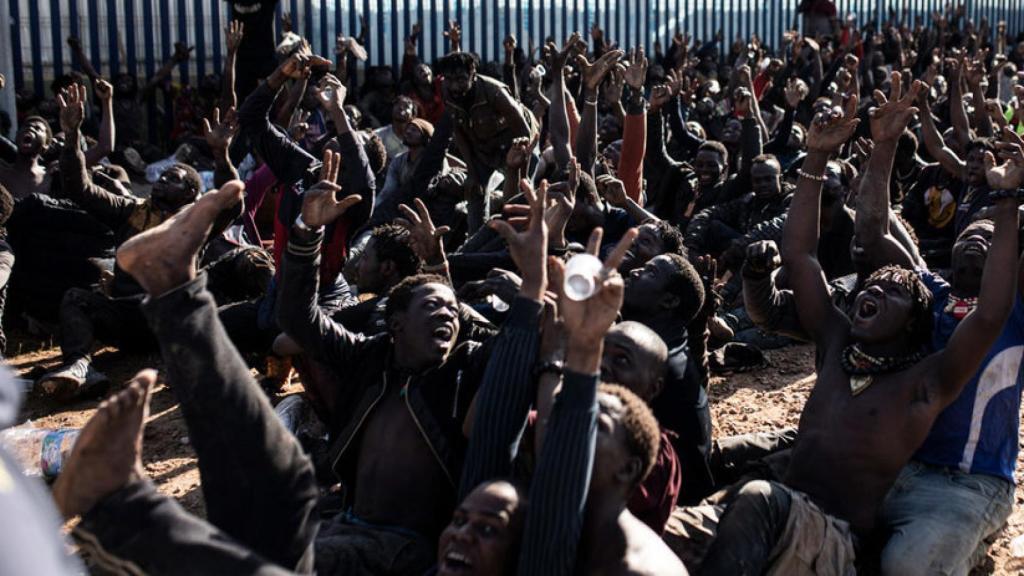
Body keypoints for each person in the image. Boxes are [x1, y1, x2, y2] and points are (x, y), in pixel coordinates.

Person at [37, 85, 211, 398]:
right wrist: (72, 135)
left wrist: (222, 155)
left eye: (173, 178)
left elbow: (233, 206)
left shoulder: (197, 222)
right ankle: (80, 368)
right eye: (162, 175)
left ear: (189, 194)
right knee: (76, 298)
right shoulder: (131, 210)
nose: (161, 180)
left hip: (167, 320)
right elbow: (80, 189)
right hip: (128, 318)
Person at [438, 51, 533, 231]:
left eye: (460, 79)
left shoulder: (494, 92)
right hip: (483, 147)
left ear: (472, 73)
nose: (455, 86)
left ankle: (521, 237)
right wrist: (473, 172)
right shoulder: (447, 91)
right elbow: (459, 132)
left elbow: (523, 131)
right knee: (474, 190)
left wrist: (520, 170)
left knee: (519, 195)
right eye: (449, 80)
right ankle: (476, 241)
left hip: (514, 144)